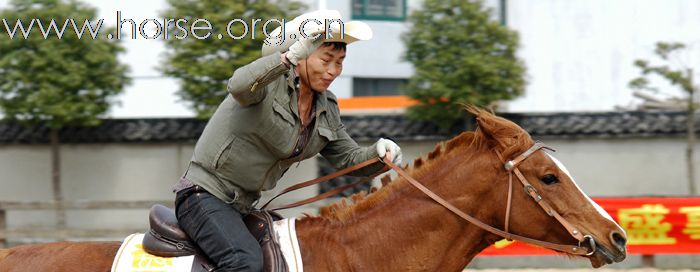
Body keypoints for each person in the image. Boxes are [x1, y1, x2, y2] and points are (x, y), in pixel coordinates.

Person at [172, 10, 403, 272]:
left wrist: (379, 154)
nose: (333, 71)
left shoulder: (326, 105)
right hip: (202, 196)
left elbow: (348, 158)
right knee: (243, 262)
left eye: (339, 62)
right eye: (326, 59)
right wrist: (285, 59)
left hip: (244, 206)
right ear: (301, 54)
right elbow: (237, 85)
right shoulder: (267, 84)